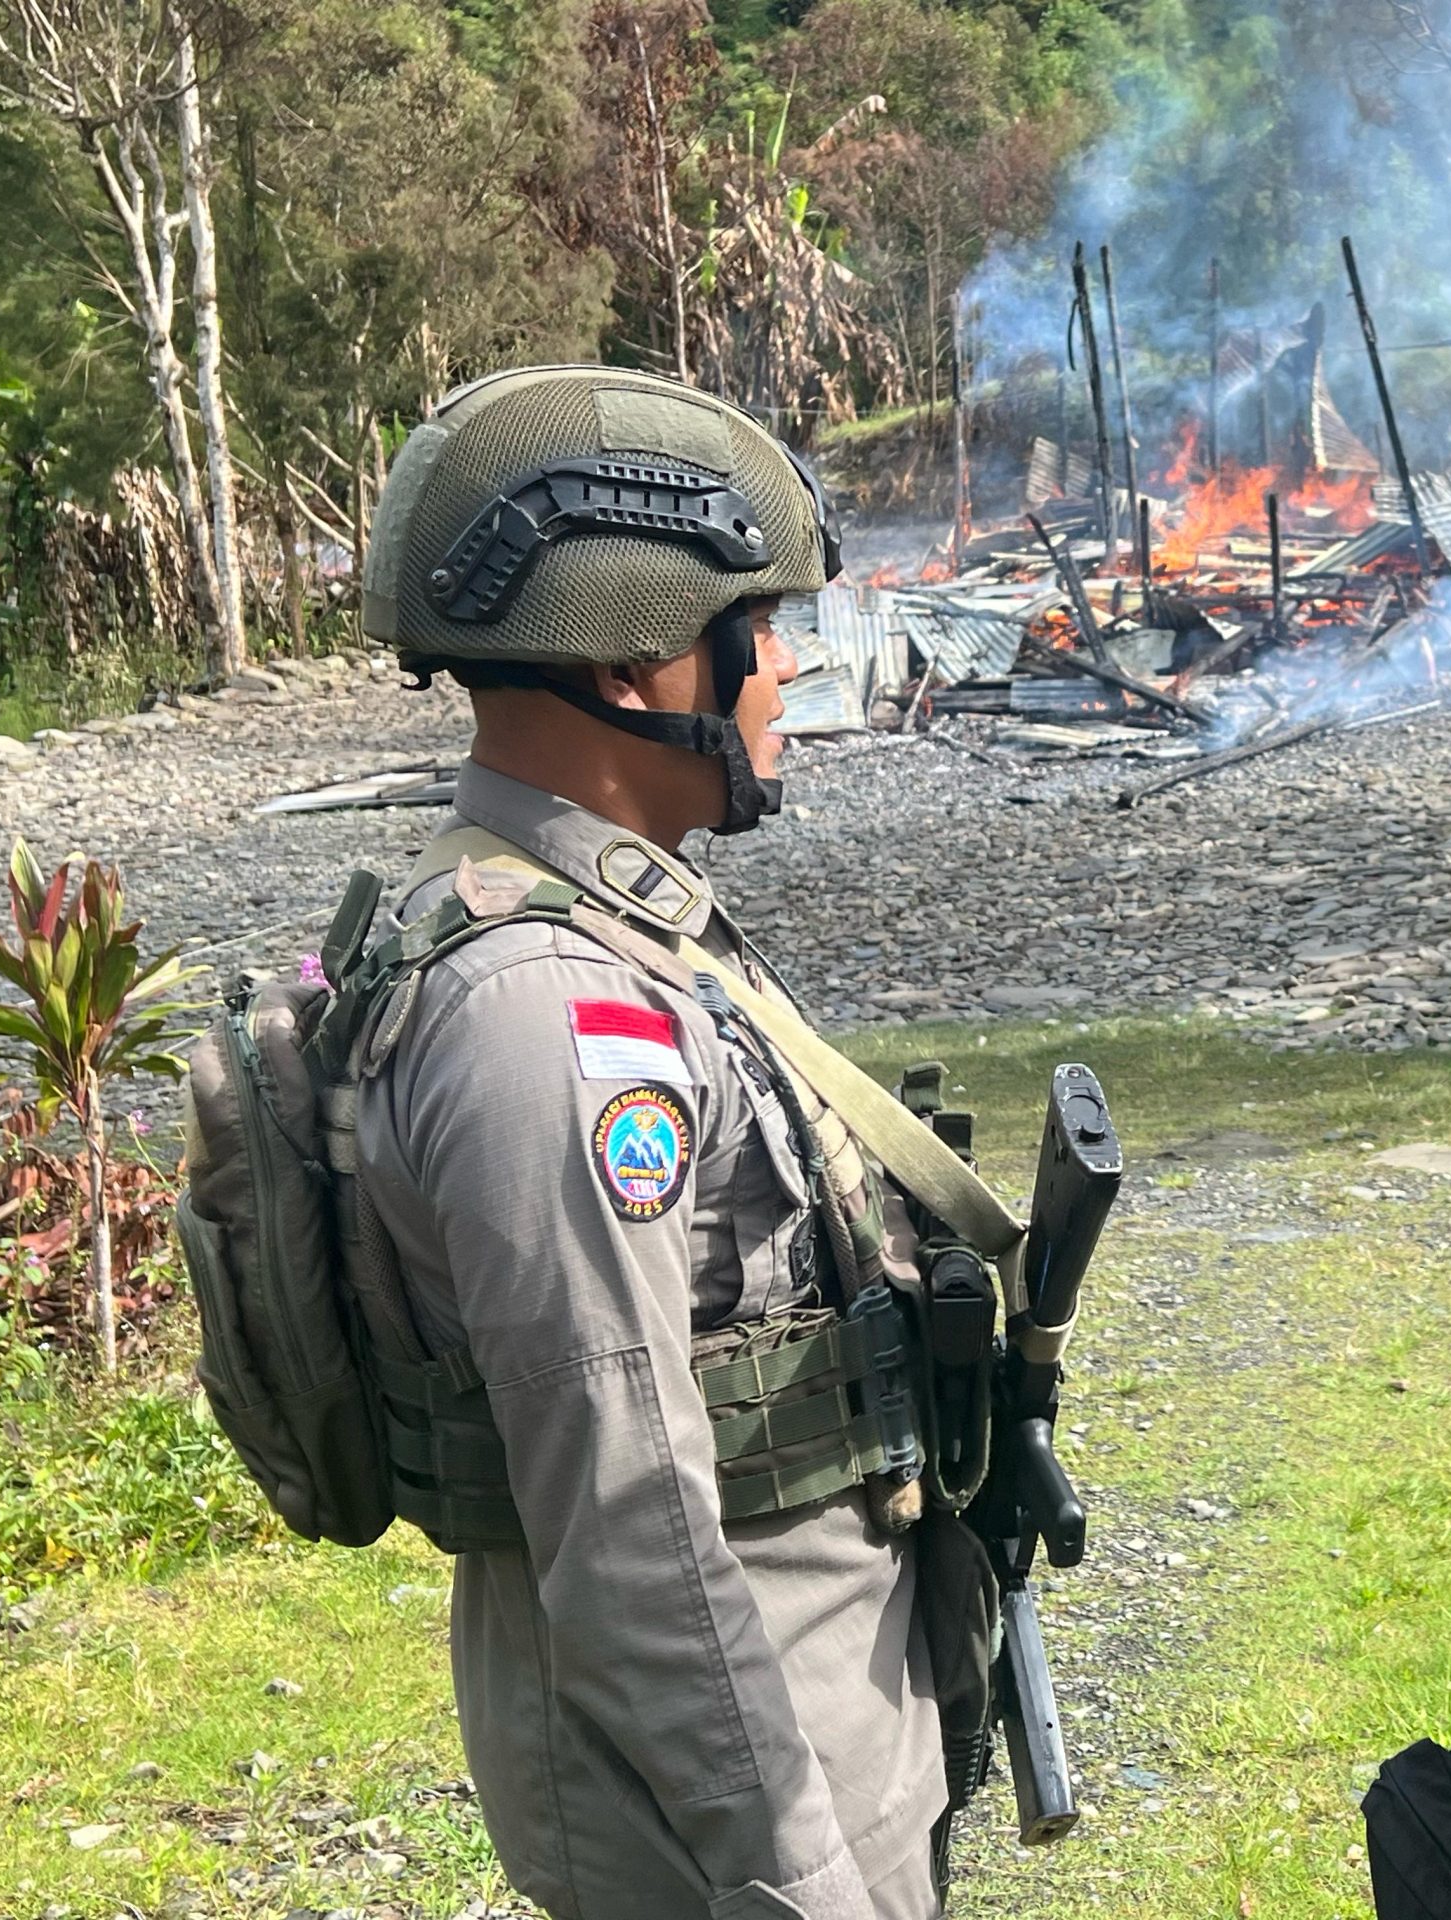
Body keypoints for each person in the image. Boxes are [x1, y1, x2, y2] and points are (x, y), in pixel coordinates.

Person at [349, 365, 962, 1920]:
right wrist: (800, 1872)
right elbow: (628, 1524)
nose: (788, 682)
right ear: (635, 670)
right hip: (732, 1815)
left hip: (807, 1715)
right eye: (763, 637)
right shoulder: (546, 1015)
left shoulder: (621, 928)